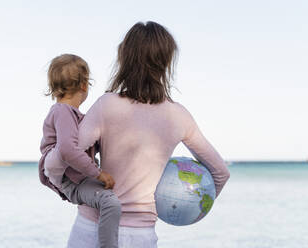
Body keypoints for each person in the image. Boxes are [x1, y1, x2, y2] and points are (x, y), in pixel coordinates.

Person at [67, 21, 231, 248]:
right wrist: (189, 207)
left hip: (91, 228)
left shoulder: (107, 105)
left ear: (125, 58)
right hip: (140, 236)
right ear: (165, 62)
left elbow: (70, 155)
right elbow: (220, 173)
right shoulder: (178, 115)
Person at [38, 54, 122, 248]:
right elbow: (68, 149)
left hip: (75, 177)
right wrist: (98, 173)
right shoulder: (62, 112)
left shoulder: (70, 114)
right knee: (110, 203)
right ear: (84, 86)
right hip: (71, 181)